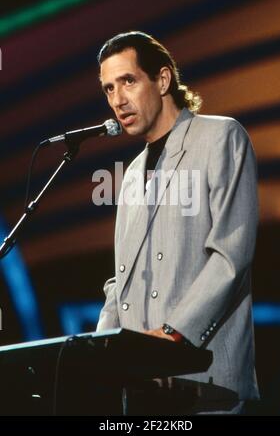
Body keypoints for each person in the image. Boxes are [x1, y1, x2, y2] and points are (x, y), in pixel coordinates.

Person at [96, 31, 259, 415]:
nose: (118, 100)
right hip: (141, 390)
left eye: (128, 81)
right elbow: (124, 280)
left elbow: (231, 254)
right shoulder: (132, 172)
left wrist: (173, 333)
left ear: (164, 79)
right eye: (108, 88)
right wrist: (99, 349)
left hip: (205, 382)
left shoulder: (221, 136)